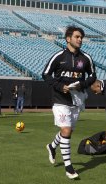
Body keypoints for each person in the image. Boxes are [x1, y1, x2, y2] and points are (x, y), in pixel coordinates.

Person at [42, 26, 96, 179]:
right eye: (77, 37)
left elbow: (92, 76)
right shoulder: (58, 56)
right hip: (60, 99)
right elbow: (45, 74)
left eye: (81, 37)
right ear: (68, 39)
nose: (80, 40)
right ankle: (69, 168)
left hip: (77, 99)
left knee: (68, 131)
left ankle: (52, 146)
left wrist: (82, 84)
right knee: (66, 131)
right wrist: (60, 86)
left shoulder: (86, 58)